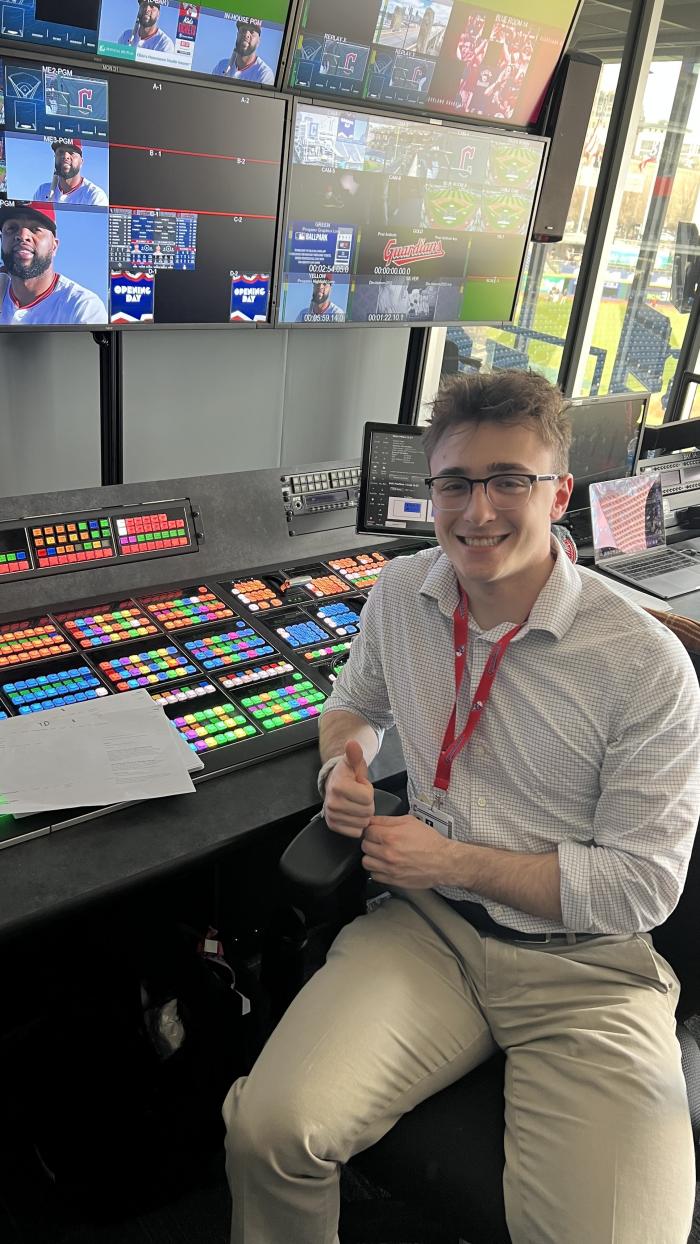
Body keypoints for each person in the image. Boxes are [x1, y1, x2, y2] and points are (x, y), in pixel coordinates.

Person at [223, 369, 700, 1244]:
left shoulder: (643, 665)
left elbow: (643, 889)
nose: (477, 511)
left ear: (557, 493)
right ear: (430, 491)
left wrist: (450, 860)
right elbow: (352, 707)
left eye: (509, 481)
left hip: (587, 973)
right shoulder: (403, 593)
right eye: (455, 483)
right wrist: (342, 771)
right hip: (429, 932)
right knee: (271, 1132)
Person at [0, 201, 107, 325]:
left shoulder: (82, 305)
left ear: (54, 247)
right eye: (12, 228)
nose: (22, 236)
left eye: (35, 229)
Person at [33, 139, 108, 208]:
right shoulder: (42, 191)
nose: (65, 156)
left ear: (81, 162)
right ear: (55, 158)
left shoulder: (94, 195)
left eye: (72, 153)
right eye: (60, 152)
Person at [212, 18, 274, 85]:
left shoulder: (264, 74)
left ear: (258, 41)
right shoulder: (221, 66)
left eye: (252, 32)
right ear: (237, 34)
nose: (246, 34)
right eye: (243, 30)